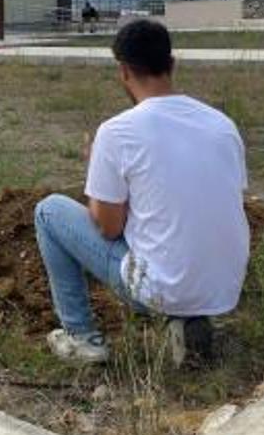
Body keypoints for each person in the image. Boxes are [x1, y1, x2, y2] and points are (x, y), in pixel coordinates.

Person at [34, 19, 250, 366]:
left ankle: (82, 337)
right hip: (223, 288)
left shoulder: (118, 132)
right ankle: (186, 322)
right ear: (172, 64)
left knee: (48, 211)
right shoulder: (222, 125)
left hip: (161, 288)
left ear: (123, 71)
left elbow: (108, 228)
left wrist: (97, 168)